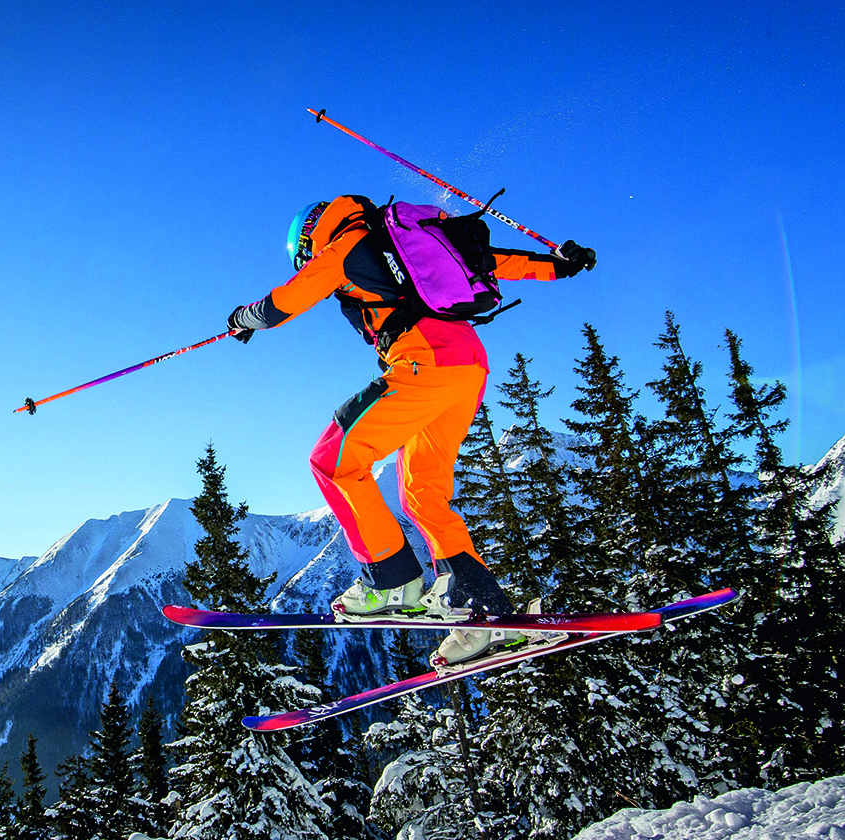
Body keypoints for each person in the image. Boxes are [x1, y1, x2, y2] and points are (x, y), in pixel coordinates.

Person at [227, 195, 595, 666]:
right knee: (422, 490)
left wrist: (245, 318)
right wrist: (558, 266)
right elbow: (494, 261)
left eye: (301, 249)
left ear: (310, 234)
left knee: (333, 460)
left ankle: (391, 579)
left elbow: (287, 300)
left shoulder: (344, 247)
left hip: (425, 360)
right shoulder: (417, 243)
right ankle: (483, 609)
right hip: (469, 365)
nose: (304, 256)